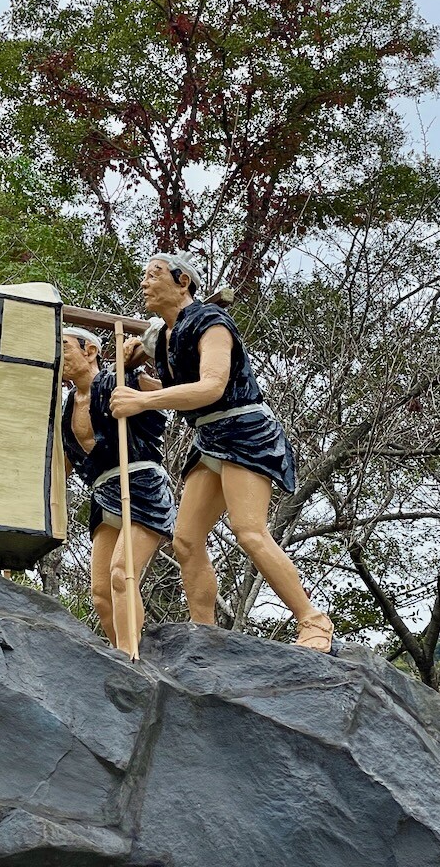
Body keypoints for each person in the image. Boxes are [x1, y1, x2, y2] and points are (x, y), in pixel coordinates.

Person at [110, 251, 333, 652]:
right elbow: (162, 369)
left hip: (244, 431)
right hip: (208, 437)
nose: (144, 283)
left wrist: (143, 401)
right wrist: (134, 361)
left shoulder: (212, 322)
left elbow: (212, 386)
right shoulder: (164, 335)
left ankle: (313, 621)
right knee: (186, 540)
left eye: (154, 275)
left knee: (249, 530)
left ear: (183, 282)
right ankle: (206, 634)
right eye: (144, 275)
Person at [61, 326, 177, 653]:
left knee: (121, 573)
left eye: (64, 347)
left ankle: (130, 654)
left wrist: (145, 356)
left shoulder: (119, 380)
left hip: (140, 483)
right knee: (100, 593)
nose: (58, 356)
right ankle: (123, 654)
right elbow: (63, 466)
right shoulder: (67, 407)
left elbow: (172, 390)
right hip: (103, 491)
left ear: (90, 351)